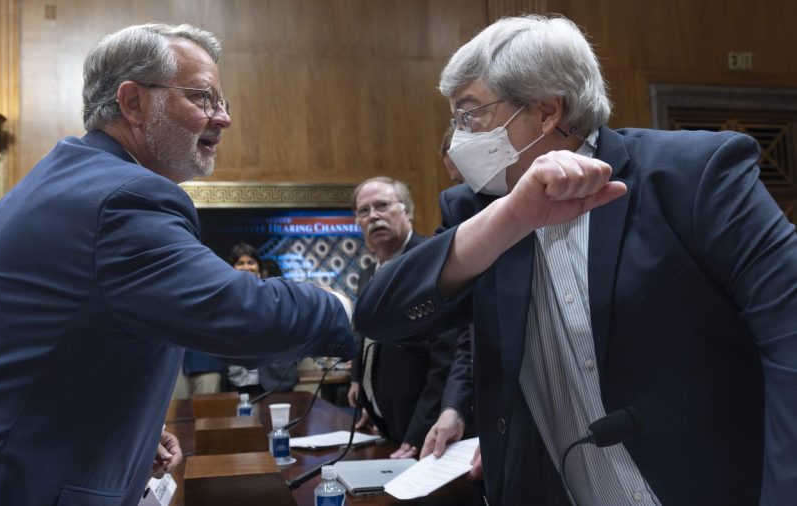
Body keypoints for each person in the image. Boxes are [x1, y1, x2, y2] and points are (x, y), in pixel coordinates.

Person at [0, 23, 354, 505]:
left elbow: (51, 350)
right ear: (133, 103)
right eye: (203, 98)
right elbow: (242, 318)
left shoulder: (68, 179)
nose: (223, 119)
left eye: (223, 102)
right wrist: (340, 305)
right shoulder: (122, 197)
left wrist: (125, 428)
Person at [354, 14, 797, 506]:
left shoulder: (694, 174)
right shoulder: (477, 211)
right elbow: (381, 317)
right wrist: (510, 220)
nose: (458, 135)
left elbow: (789, 332)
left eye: (468, 113)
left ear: (546, 111)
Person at [346, 177, 461, 459]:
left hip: (425, 429)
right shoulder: (367, 274)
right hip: (385, 421)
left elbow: (446, 357)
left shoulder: (431, 263)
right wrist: (358, 381)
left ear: (407, 211)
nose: (373, 215)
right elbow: (365, 332)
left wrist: (421, 428)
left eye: (382, 205)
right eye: (364, 211)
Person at [220, 243, 300, 395]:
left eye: (251, 262)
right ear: (232, 267)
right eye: (240, 263)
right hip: (237, 381)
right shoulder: (223, 297)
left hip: (275, 380)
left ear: (259, 266)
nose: (246, 267)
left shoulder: (276, 292)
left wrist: (293, 360)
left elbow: (294, 326)